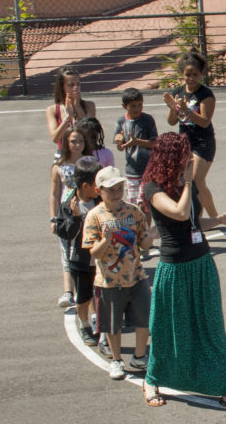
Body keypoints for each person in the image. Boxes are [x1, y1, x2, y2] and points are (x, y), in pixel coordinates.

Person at [142, 132, 226, 407]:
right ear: (169, 157)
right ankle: (152, 380)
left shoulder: (188, 186)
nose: (189, 159)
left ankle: (225, 388)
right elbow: (177, 212)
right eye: (184, 154)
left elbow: (192, 223)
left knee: (212, 327)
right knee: (166, 329)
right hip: (174, 269)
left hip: (201, 264)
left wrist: (219, 220)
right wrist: (188, 182)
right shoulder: (153, 188)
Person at [83, 166, 152, 382]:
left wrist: (153, 235)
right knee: (112, 324)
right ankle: (116, 359)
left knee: (144, 319)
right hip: (109, 281)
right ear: (98, 191)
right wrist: (105, 240)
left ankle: (140, 357)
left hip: (137, 277)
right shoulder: (94, 216)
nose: (116, 193)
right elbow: (93, 252)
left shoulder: (134, 211)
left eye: (119, 188)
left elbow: (144, 244)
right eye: (110, 189)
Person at [164, 49, 219, 217]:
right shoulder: (177, 93)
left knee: (196, 180)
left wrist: (187, 110)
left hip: (203, 142)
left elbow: (204, 121)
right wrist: (175, 108)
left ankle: (211, 218)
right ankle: (204, 218)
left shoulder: (205, 94)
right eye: (188, 74)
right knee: (190, 182)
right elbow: (172, 121)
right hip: (185, 141)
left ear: (201, 74)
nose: (191, 78)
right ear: (182, 73)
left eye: (195, 74)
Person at [53, 156, 102, 346]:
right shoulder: (68, 206)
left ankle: (98, 320)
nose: (99, 188)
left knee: (100, 294)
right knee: (84, 296)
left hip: (99, 257)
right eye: (95, 184)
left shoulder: (100, 201)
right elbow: (65, 234)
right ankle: (84, 324)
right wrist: (74, 217)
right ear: (83, 185)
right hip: (80, 261)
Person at [50, 127, 89, 309]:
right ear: (66, 143)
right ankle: (68, 291)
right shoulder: (59, 166)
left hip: (87, 211)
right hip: (66, 214)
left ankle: (87, 289)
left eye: (80, 141)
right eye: (73, 141)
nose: (77, 145)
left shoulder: (90, 163)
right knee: (66, 252)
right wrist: (53, 218)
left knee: (86, 252)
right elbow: (54, 194)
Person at [113, 87, 158, 211]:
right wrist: (119, 142)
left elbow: (155, 143)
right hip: (131, 171)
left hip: (148, 169)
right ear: (124, 106)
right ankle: (139, 229)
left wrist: (137, 142)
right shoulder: (121, 121)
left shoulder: (147, 120)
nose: (137, 109)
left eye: (140, 105)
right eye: (133, 106)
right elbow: (121, 147)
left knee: (144, 204)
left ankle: (146, 230)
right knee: (134, 207)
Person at [46, 66, 96, 161]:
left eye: (78, 84)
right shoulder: (52, 110)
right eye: (71, 85)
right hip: (63, 156)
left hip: (85, 155)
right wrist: (67, 118)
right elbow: (55, 138)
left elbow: (90, 131)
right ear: (62, 87)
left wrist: (77, 106)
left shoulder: (89, 106)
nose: (76, 88)